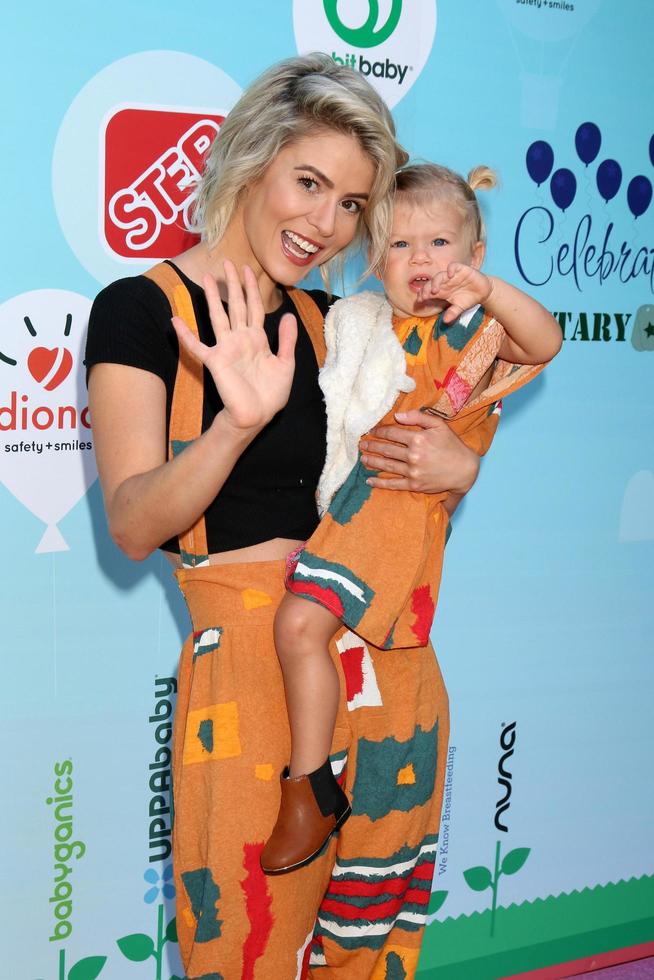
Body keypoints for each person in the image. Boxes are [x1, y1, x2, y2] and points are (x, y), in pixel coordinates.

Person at [86, 54, 498, 980]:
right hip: (245, 677)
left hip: (376, 659)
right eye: (309, 183)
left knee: (370, 943)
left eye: (353, 205)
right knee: (242, 944)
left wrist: (459, 466)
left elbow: (412, 477)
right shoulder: (138, 312)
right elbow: (132, 523)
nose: (325, 224)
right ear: (250, 159)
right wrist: (236, 424)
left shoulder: (341, 327)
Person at [263, 162, 562, 875]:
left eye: (438, 244)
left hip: (397, 521)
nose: (420, 261)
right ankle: (318, 785)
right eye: (398, 246)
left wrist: (488, 295)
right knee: (306, 634)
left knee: (299, 624)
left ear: (474, 258)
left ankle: (308, 791)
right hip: (357, 512)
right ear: (373, 258)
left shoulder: (475, 330)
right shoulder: (362, 326)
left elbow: (545, 343)